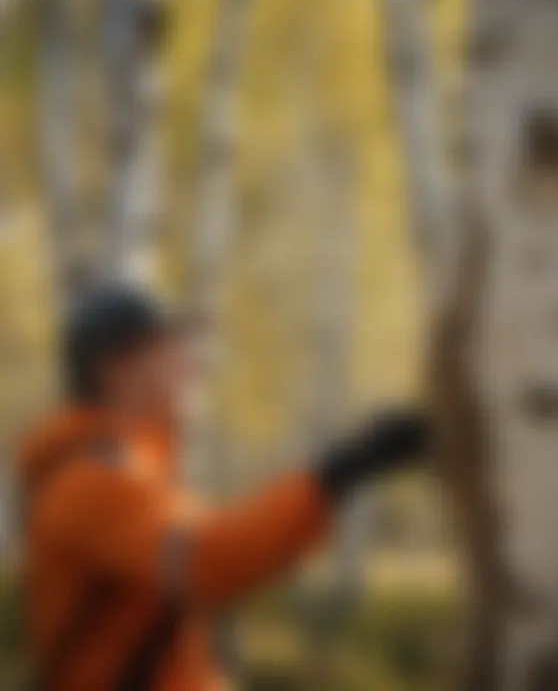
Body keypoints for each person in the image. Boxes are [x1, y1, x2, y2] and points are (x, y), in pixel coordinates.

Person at [17, 286, 432, 691]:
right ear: (115, 369)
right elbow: (211, 558)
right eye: (166, 350)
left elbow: (220, 542)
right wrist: (342, 470)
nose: (188, 365)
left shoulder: (134, 471)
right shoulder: (91, 484)